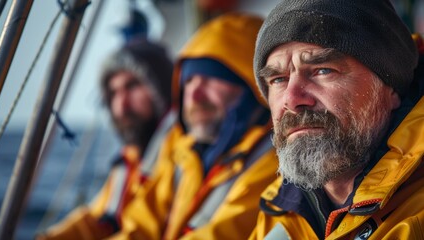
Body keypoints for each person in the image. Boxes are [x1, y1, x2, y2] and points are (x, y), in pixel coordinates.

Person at [249, 0, 424, 239]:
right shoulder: (279, 212)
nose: (291, 99)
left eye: (322, 70)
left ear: (391, 87)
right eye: (278, 79)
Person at [111, 12, 278, 240]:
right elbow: (139, 228)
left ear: (251, 88)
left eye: (211, 78)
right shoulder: (181, 148)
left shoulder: (274, 163)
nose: (195, 95)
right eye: (188, 81)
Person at [38, 39, 176, 239]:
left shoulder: (181, 153)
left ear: (161, 88)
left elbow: (144, 231)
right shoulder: (130, 160)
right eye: (113, 93)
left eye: (133, 86)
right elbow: (98, 219)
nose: (122, 104)